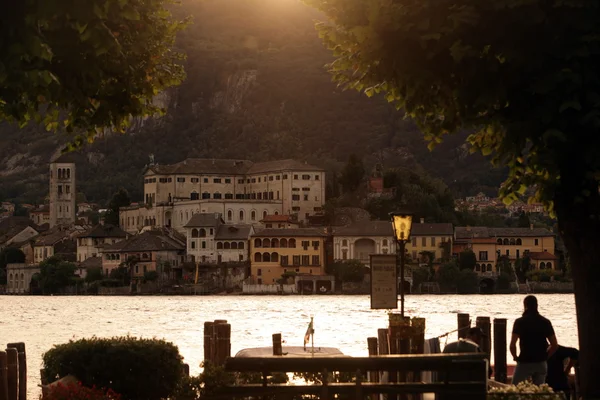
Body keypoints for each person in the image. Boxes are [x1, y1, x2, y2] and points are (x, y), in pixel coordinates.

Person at [510, 295, 558, 385]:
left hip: (525, 361)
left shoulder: (519, 322)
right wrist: (545, 357)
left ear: (525, 306)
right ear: (537, 305)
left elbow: (513, 345)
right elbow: (554, 345)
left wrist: (515, 357)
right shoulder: (545, 322)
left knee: (515, 388)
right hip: (541, 362)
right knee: (539, 391)